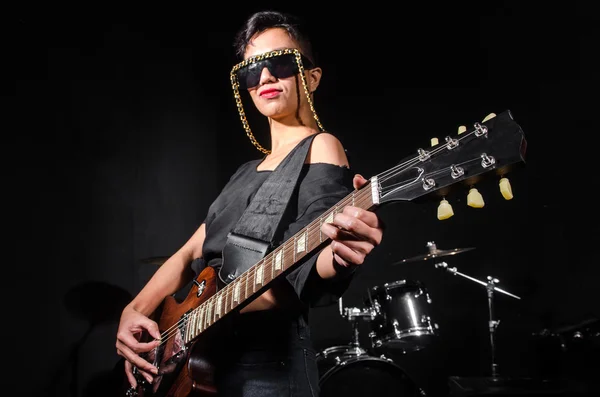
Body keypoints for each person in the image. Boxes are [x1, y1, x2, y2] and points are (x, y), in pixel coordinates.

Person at [115, 9, 384, 397]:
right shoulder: (245, 171)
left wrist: (341, 256)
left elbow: (314, 261)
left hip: (265, 369)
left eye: (279, 63)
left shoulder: (320, 146)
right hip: (202, 363)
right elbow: (189, 252)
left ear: (312, 76)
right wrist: (134, 310)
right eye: (250, 71)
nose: (265, 78)